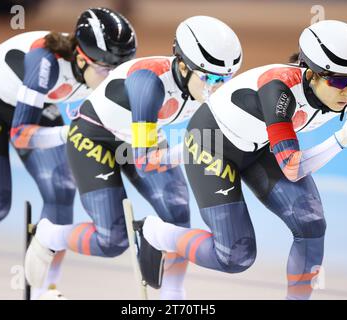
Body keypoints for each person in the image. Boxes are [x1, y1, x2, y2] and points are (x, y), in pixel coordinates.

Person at [138, 20, 347, 300]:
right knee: (235, 256)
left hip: (260, 145)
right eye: (338, 81)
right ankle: (156, 233)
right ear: (311, 74)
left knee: (311, 223)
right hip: (211, 144)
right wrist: (341, 140)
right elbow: (293, 169)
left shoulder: (346, 96)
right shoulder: (278, 91)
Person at [25, 15, 242, 300]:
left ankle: (173, 295)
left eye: (224, 79)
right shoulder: (148, 82)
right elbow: (146, 160)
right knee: (112, 240)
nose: (216, 86)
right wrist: (195, 148)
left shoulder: (200, 84)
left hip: (138, 136)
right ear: (183, 65)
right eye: (210, 77)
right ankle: (49, 235)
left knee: (177, 210)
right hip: (95, 138)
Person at [0, 7, 137, 299]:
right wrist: (66, 134)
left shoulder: (97, 70)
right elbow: (21, 136)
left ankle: (44, 288)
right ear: (82, 58)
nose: (113, 77)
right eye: (107, 69)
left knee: (61, 188)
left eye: (119, 69)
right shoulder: (44, 62)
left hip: (34, 103)